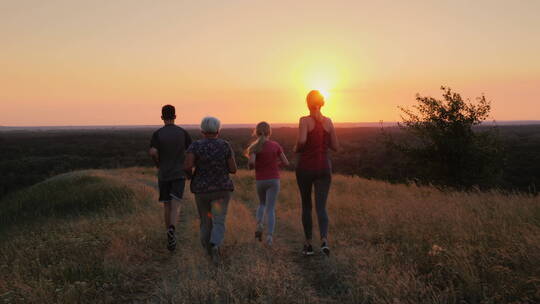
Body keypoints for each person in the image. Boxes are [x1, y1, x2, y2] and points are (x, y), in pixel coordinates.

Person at [184, 116, 237, 264]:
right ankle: (216, 245)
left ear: (202, 130)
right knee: (219, 220)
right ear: (218, 130)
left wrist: (190, 177)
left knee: (205, 221)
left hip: (201, 190)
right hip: (221, 189)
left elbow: (187, 166)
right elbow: (233, 169)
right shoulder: (225, 145)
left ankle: (208, 252)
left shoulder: (195, 146)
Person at [294, 90, 339, 257]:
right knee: (321, 207)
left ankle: (308, 244)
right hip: (324, 168)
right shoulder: (328, 122)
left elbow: (301, 141)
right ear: (322, 103)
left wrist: (296, 148)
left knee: (306, 205)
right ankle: (324, 241)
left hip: (305, 167)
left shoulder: (304, 121)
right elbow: (335, 146)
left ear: (307, 103)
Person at [149, 105, 192, 252]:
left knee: (166, 205)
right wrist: (189, 170)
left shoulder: (157, 134)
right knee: (176, 204)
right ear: (175, 116)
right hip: (179, 173)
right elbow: (191, 153)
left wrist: (158, 165)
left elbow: (153, 152)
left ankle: (169, 232)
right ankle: (172, 229)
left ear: (162, 117)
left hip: (164, 173)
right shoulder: (182, 133)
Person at [245, 122, 289, 246]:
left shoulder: (255, 147)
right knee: (271, 209)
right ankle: (269, 237)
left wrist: (252, 165)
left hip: (260, 180)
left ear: (256, 132)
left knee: (262, 203)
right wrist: (275, 164)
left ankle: (259, 224)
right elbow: (286, 162)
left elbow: (252, 163)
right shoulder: (275, 145)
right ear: (269, 132)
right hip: (274, 180)